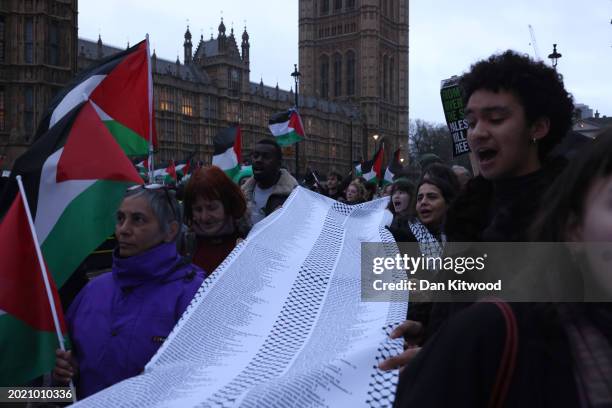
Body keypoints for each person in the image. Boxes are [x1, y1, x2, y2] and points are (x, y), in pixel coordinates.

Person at [380, 49, 575, 370]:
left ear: (538, 127)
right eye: (471, 122)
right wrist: (430, 329)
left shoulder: (565, 217)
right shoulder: (472, 210)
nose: (477, 132)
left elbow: (546, 340)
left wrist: (446, 356)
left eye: (496, 119)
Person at [392, 128, 612, 408]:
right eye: (473, 122)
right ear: (574, 229)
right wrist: (437, 346)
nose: (479, 133)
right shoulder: (500, 333)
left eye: (431, 196)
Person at [53, 185, 205, 399]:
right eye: (120, 218)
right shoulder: (93, 290)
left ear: (170, 231)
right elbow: (63, 378)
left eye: (138, 220)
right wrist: (66, 372)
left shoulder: (193, 294)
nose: (123, 229)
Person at [183, 165, 251, 275]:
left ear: (228, 204)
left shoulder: (248, 242)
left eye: (212, 208)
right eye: (198, 209)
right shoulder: (183, 246)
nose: (204, 217)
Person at [242, 139, 298, 225]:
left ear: (278, 164)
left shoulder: (293, 196)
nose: (258, 160)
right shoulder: (241, 195)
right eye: (256, 156)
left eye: (266, 157)